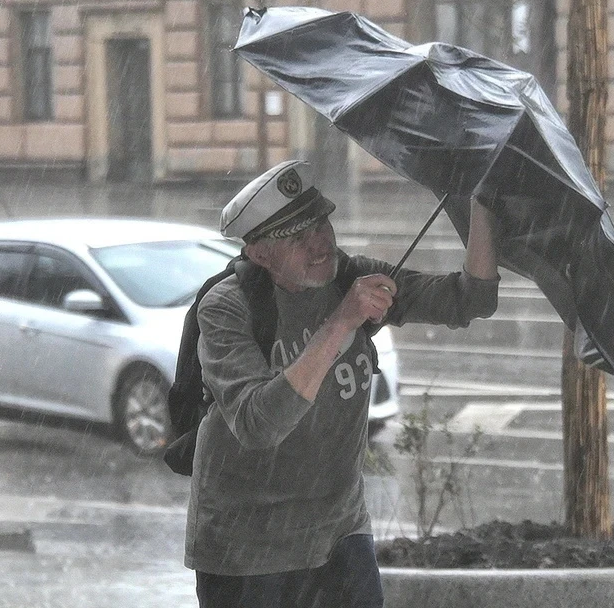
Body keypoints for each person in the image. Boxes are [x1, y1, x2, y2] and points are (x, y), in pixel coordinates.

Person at [186, 160, 500, 608]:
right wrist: (342, 323)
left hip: (339, 532)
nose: (320, 245)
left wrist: (481, 202)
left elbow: (472, 299)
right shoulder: (226, 308)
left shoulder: (350, 279)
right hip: (248, 547)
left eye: (322, 224)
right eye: (297, 238)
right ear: (258, 253)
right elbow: (258, 424)